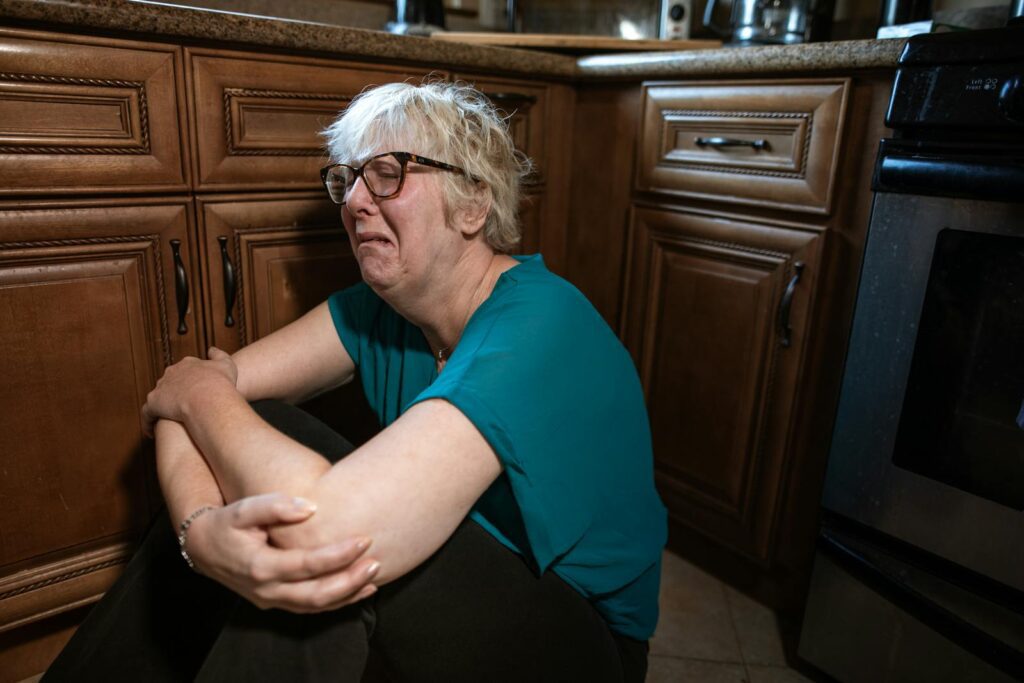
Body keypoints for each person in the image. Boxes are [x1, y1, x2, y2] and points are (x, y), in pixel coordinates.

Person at [44, 81, 667, 682]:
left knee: (323, 544)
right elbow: (178, 402)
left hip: (581, 645)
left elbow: (310, 514)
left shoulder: (542, 327)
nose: (355, 201)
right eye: (347, 179)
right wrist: (200, 530)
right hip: (470, 585)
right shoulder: (375, 312)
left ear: (474, 203)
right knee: (261, 456)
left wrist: (203, 396)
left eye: (389, 173)